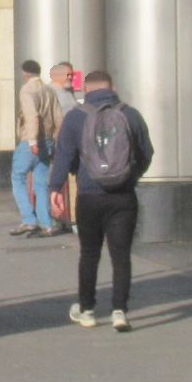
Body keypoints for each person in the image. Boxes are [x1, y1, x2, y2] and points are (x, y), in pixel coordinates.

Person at [49, 69, 153, 331]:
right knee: (121, 255)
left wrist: (55, 188)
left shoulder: (75, 117)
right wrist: (131, 176)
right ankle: (120, 311)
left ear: (86, 89)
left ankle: (87, 310)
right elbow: (146, 152)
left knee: (89, 253)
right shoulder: (131, 114)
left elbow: (63, 155)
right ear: (112, 88)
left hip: (89, 194)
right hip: (123, 196)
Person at [10, 60, 59, 237]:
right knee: (40, 182)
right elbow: (58, 117)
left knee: (18, 178)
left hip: (31, 141)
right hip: (48, 140)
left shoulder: (27, 90)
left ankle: (28, 220)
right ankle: (46, 224)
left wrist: (32, 141)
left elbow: (32, 116)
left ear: (25, 73)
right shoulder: (49, 90)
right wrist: (55, 141)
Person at [46, 62, 81, 235]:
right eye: (68, 74)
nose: (71, 77)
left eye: (72, 74)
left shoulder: (68, 92)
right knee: (54, 180)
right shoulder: (51, 93)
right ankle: (57, 218)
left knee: (69, 182)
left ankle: (70, 219)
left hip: (71, 143)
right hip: (58, 143)